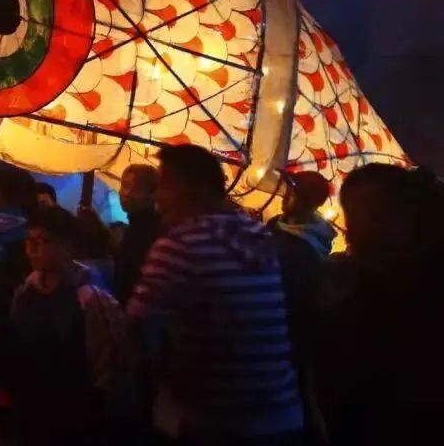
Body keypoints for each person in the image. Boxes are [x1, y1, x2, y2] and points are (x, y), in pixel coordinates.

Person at [128, 145, 304, 444]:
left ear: (200, 190)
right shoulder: (256, 235)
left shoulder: (181, 243)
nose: (157, 196)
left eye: (167, 185)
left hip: (216, 422)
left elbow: (138, 324)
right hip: (282, 415)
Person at [315, 164, 444, 445]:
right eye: (354, 219)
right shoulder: (352, 299)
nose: (353, 234)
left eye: (374, 217)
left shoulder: (369, 305)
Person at [6, 205, 134, 444]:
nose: (33, 249)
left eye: (44, 241)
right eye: (29, 241)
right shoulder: (23, 295)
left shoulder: (91, 301)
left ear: (67, 246)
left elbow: (107, 367)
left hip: (77, 419)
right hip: (31, 414)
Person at [265, 171, 336, 396]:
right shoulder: (278, 226)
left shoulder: (301, 252)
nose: (285, 196)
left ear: (307, 202)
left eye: (293, 193)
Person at [114, 163, 162, 304]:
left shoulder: (148, 230)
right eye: (123, 185)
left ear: (151, 193)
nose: (125, 193)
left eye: (131, 187)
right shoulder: (135, 226)